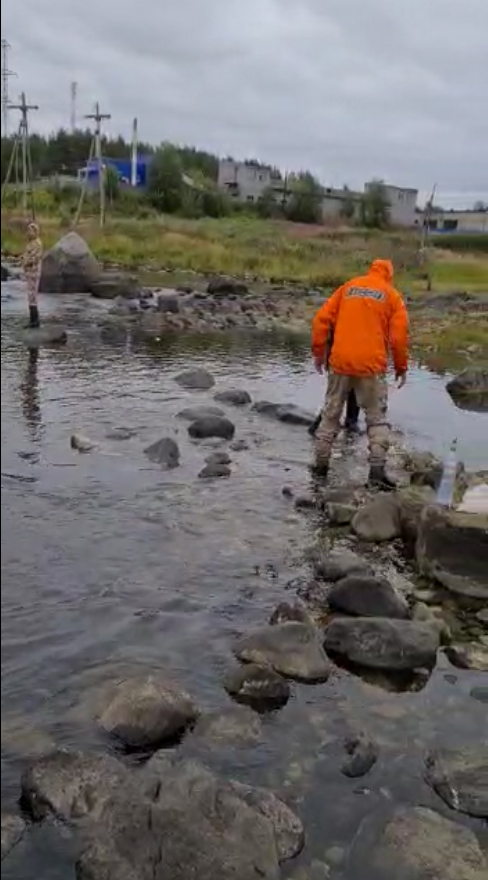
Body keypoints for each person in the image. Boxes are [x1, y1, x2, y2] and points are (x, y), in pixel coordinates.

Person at [310, 258, 408, 490]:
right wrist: (401, 367)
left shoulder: (348, 287)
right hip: (371, 366)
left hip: (340, 362)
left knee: (330, 416)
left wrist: (318, 353)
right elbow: (399, 338)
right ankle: (376, 473)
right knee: (376, 419)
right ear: (389, 275)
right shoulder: (392, 295)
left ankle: (320, 468)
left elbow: (321, 320)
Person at [22, 221, 43, 328]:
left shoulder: (37, 243)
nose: (28, 232)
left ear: (35, 232)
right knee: (30, 295)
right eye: (28, 230)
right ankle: (33, 319)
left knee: (32, 295)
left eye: (30, 231)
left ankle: (34, 320)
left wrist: (25, 262)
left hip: (34, 272)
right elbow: (26, 255)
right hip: (29, 272)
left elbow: (35, 258)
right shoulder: (30, 243)